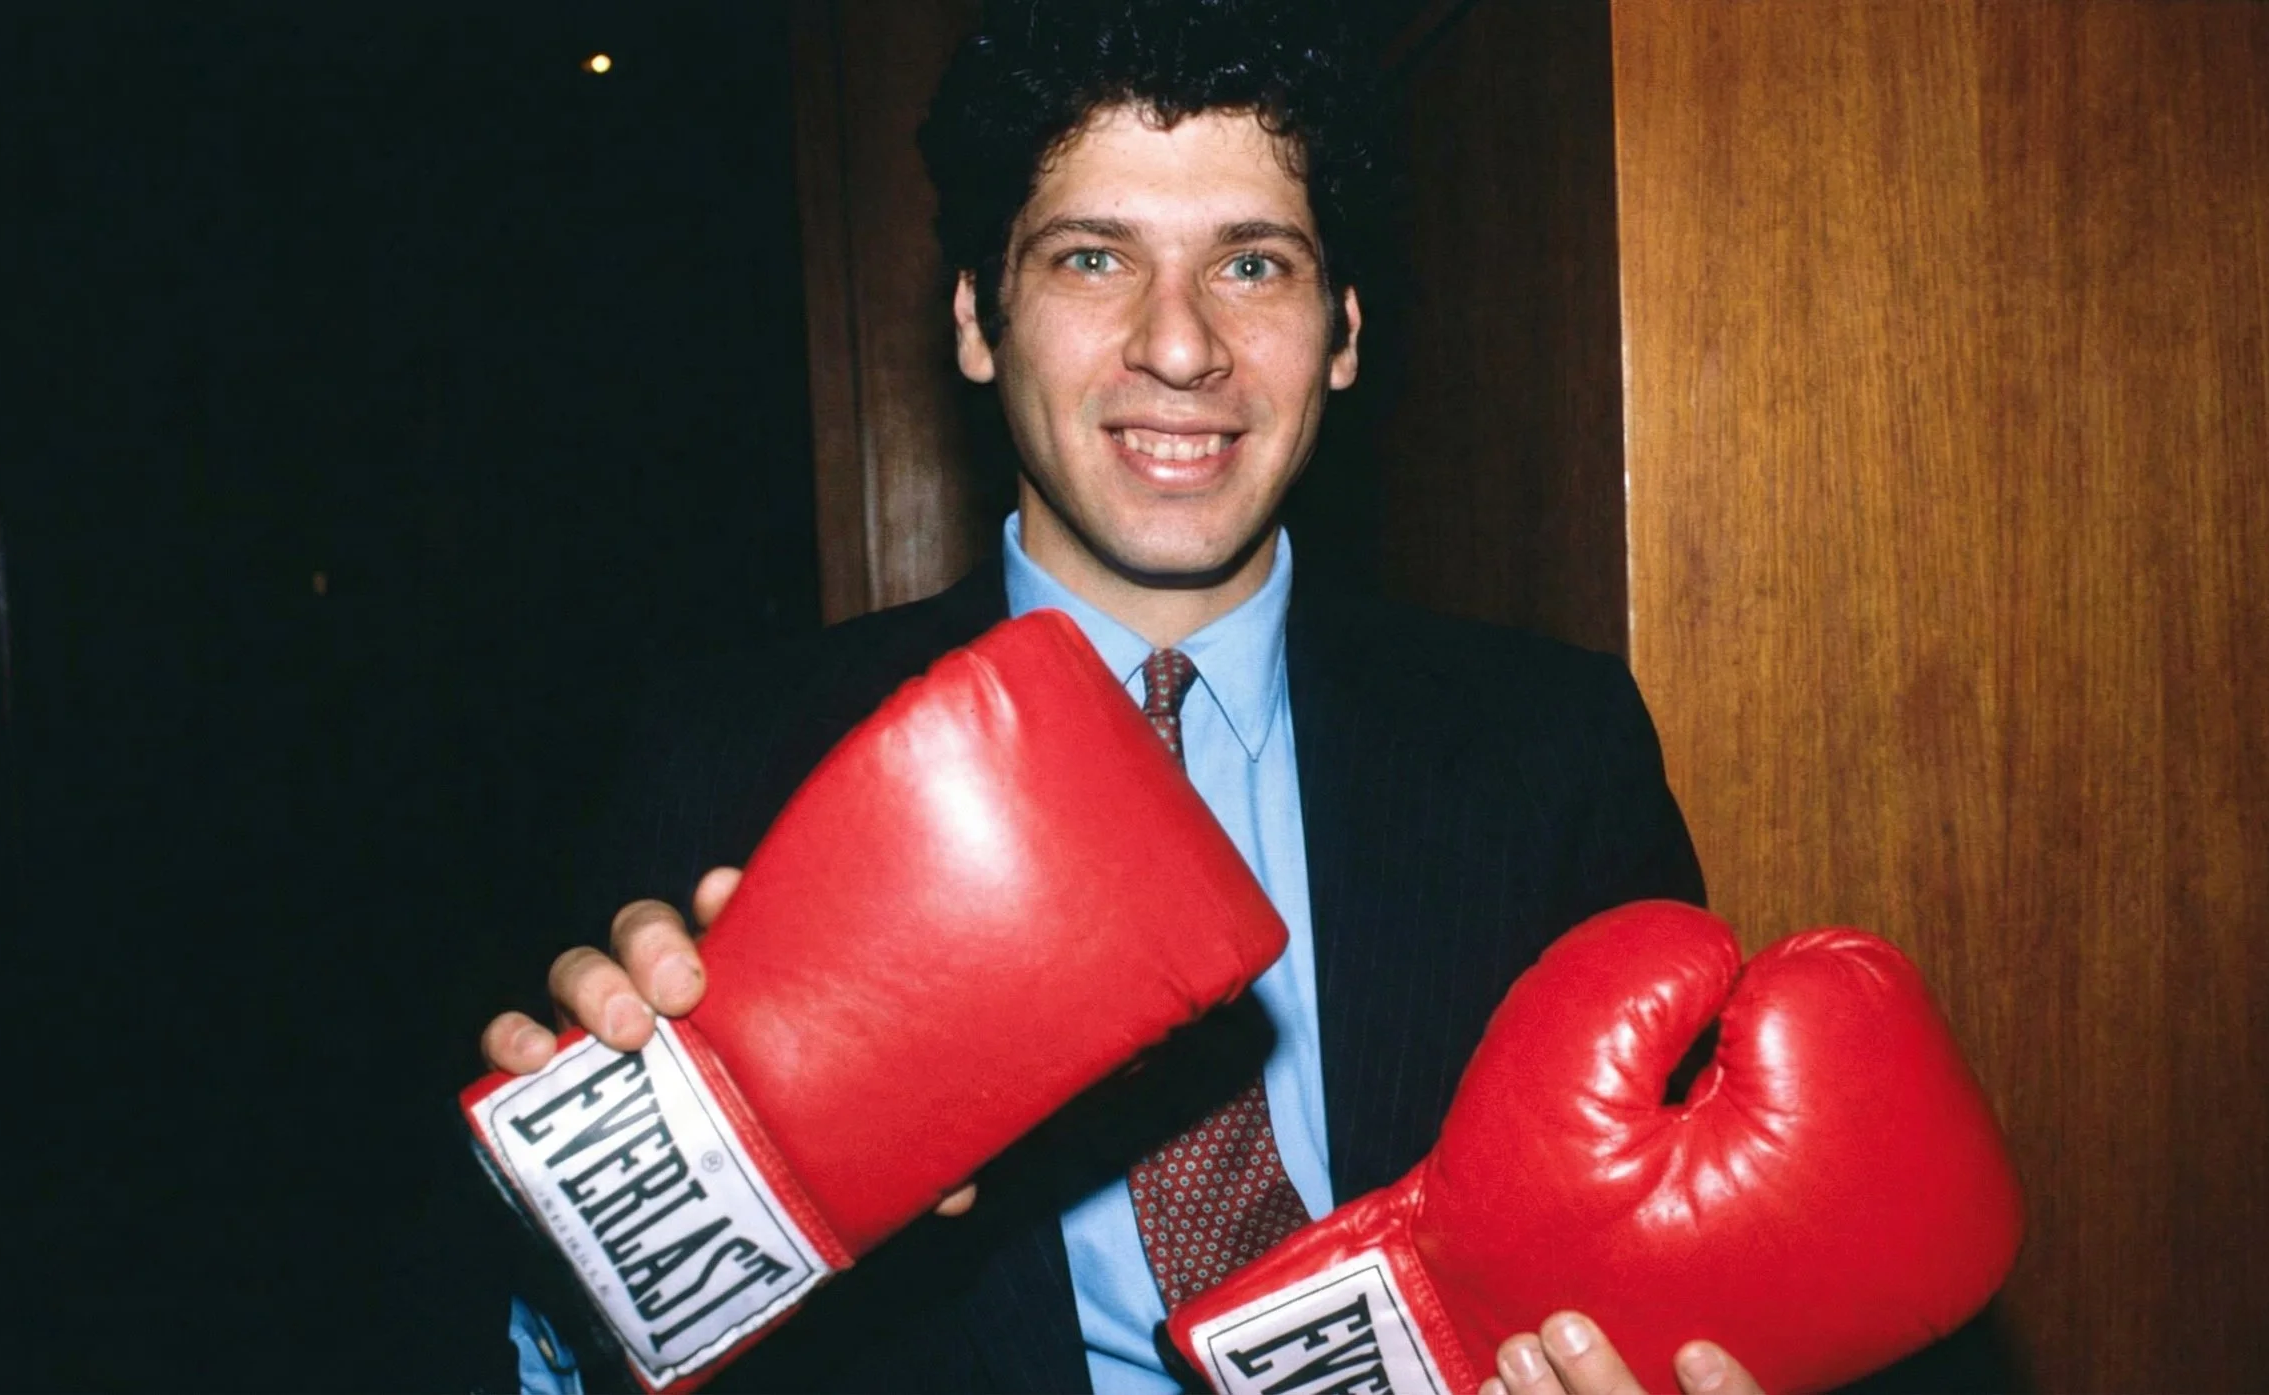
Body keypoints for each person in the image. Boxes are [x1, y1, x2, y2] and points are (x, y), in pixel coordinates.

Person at [475, 3, 1761, 1391]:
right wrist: (602, 1239)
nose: (1182, 345)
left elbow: (1699, 1258)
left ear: (1342, 332)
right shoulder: (731, 763)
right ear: (977, 318)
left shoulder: (1550, 749)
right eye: (1094, 257)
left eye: (1252, 264)